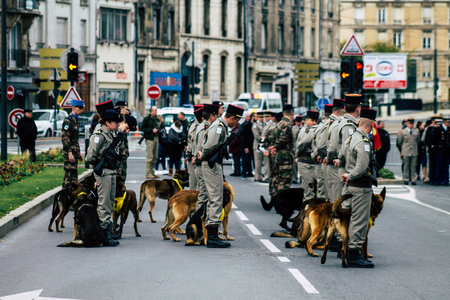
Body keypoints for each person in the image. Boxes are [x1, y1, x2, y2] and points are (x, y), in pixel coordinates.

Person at [338, 107, 378, 268]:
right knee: (359, 220)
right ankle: (353, 253)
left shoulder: (351, 137)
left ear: (359, 122)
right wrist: (351, 175)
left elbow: (340, 157)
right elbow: (362, 166)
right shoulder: (363, 142)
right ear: (372, 125)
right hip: (360, 186)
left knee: (349, 218)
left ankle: (347, 250)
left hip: (350, 185)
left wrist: (345, 174)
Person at [201, 104, 244, 248]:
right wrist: (204, 157)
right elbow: (208, 146)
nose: (236, 123)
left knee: (215, 197)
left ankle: (212, 232)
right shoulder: (219, 126)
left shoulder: (221, 125)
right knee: (216, 198)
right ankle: (212, 236)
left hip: (214, 164)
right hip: (212, 164)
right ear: (232, 117)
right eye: (236, 120)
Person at [86, 109, 128, 247]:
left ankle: (107, 230)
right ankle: (103, 234)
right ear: (107, 122)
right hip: (103, 172)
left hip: (111, 171)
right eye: (115, 122)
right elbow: (90, 156)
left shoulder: (110, 133)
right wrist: (99, 164)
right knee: (103, 202)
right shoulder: (99, 135)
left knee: (110, 201)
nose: (118, 124)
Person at [329, 94, 362, 197]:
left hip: (345, 167)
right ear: (358, 109)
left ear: (344, 108)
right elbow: (347, 149)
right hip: (347, 168)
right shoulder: (348, 126)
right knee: (346, 203)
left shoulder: (344, 123)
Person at [193, 103, 219, 217]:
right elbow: (201, 147)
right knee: (203, 197)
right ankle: (197, 223)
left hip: (199, 165)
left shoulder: (201, 126)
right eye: (217, 116)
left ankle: (199, 222)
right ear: (212, 116)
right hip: (201, 165)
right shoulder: (205, 128)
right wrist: (200, 157)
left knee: (203, 195)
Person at [267, 105, 294, 196]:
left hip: (277, 155)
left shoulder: (278, 124)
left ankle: (274, 196)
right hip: (284, 156)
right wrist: (275, 146)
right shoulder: (287, 124)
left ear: (283, 113)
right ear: (292, 113)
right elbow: (284, 137)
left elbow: (272, 137)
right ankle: (282, 200)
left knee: (276, 177)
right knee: (284, 180)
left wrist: (272, 147)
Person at [61, 99, 84, 189]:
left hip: (74, 153)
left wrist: (78, 154)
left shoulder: (75, 121)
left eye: (82, 108)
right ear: (73, 108)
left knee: (74, 176)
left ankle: (72, 196)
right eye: (79, 108)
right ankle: (64, 196)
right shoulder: (68, 121)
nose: (81, 110)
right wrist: (70, 153)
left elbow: (75, 140)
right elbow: (65, 138)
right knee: (69, 175)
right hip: (69, 153)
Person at [296, 110, 319, 199]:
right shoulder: (308, 130)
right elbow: (302, 143)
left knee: (311, 190)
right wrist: (297, 153)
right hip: (306, 162)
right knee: (308, 192)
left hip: (309, 163)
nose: (314, 123)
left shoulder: (305, 129)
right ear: (306, 120)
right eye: (312, 120)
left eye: (315, 121)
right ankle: (306, 212)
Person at [311, 104, 333, 199]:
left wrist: (316, 155)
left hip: (320, 159)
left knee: (322, 188)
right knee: (328, 189)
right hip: (327, 159)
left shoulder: (319, 126)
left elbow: (316, 144)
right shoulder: (330, 126)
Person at [396, 118, 419, 185]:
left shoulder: (416, 131)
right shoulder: (403, 131)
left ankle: (413, 179)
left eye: (412, 124)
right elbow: (400, 142)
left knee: (413, 166)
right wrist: (402, 149)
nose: (411, 125)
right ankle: (406, 178)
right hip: (406, 151)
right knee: (406, 166)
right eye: (410, 124)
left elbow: (418, 140)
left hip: (414, 151)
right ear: (407, 124)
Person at [428, 117, 450, 186]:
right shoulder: (438, 129)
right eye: (448, 122)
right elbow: (434, 139)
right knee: (439, 166)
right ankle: (437, 180)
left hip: (447, 150)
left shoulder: (448, 129)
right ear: (445, 122)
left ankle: (445, 180)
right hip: (439, 150)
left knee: (446, 166)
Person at [185, 105, 203, 189]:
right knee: (194, 184)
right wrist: (191, 155)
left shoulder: (196, 125)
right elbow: (193, 142)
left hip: (193, 156)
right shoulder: (196, 126)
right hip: (194, 157)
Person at [142, 106, 160, 179]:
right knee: (150, 157)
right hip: (150, 138)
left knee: (155, 157)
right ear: (151, 111)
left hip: (156, 138)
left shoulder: (156, 119)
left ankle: (152, 172)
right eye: (155, 110)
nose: (156, 112)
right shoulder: (147, 119)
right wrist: (151, 130)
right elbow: (143, 128)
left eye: (156, 110)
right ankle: (148, 173)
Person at [239, 112, 254, 179]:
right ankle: (244, 173)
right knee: (245, 159)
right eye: (247, 116)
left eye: (249, 116)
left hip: (250, 145)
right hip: (245, 145)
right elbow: (243, 136)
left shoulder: (251, 124)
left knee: (249, 159)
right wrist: (245, 146)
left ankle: (249, 171)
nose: (248, 118)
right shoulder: (244, 125)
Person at [252, 112, 265, 182]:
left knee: (262, 161)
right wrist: (264, 139)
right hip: (257, 146)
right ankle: (257, 176)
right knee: (258, 162)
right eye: (260, 117)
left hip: (263, 146)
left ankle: (260, 175)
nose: (261, 119)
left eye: (262, 117)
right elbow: (257, 136)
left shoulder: (264, 125)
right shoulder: (255, 125)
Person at [291, 116, 302, 183]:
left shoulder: (303, 128)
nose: (298, 123)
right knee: (294, 164)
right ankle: (294, 178)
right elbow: (293, 137)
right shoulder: (293, 128)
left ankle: (301, 177)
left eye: (299, 122)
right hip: (294, 146)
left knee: (300, 164)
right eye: (297, 122)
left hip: (300, 147)